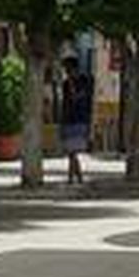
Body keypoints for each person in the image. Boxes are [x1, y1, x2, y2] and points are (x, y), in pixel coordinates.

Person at [58, 52, 93, 186]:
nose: (67, 72)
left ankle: (72, 178)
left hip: (80, 119)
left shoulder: (84, 81)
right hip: (69, 119)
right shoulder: (66, 83)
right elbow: (66, 102)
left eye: (68, 69)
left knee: (73, 151)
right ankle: (77, 178)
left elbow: (80, 98)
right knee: (71, 152)